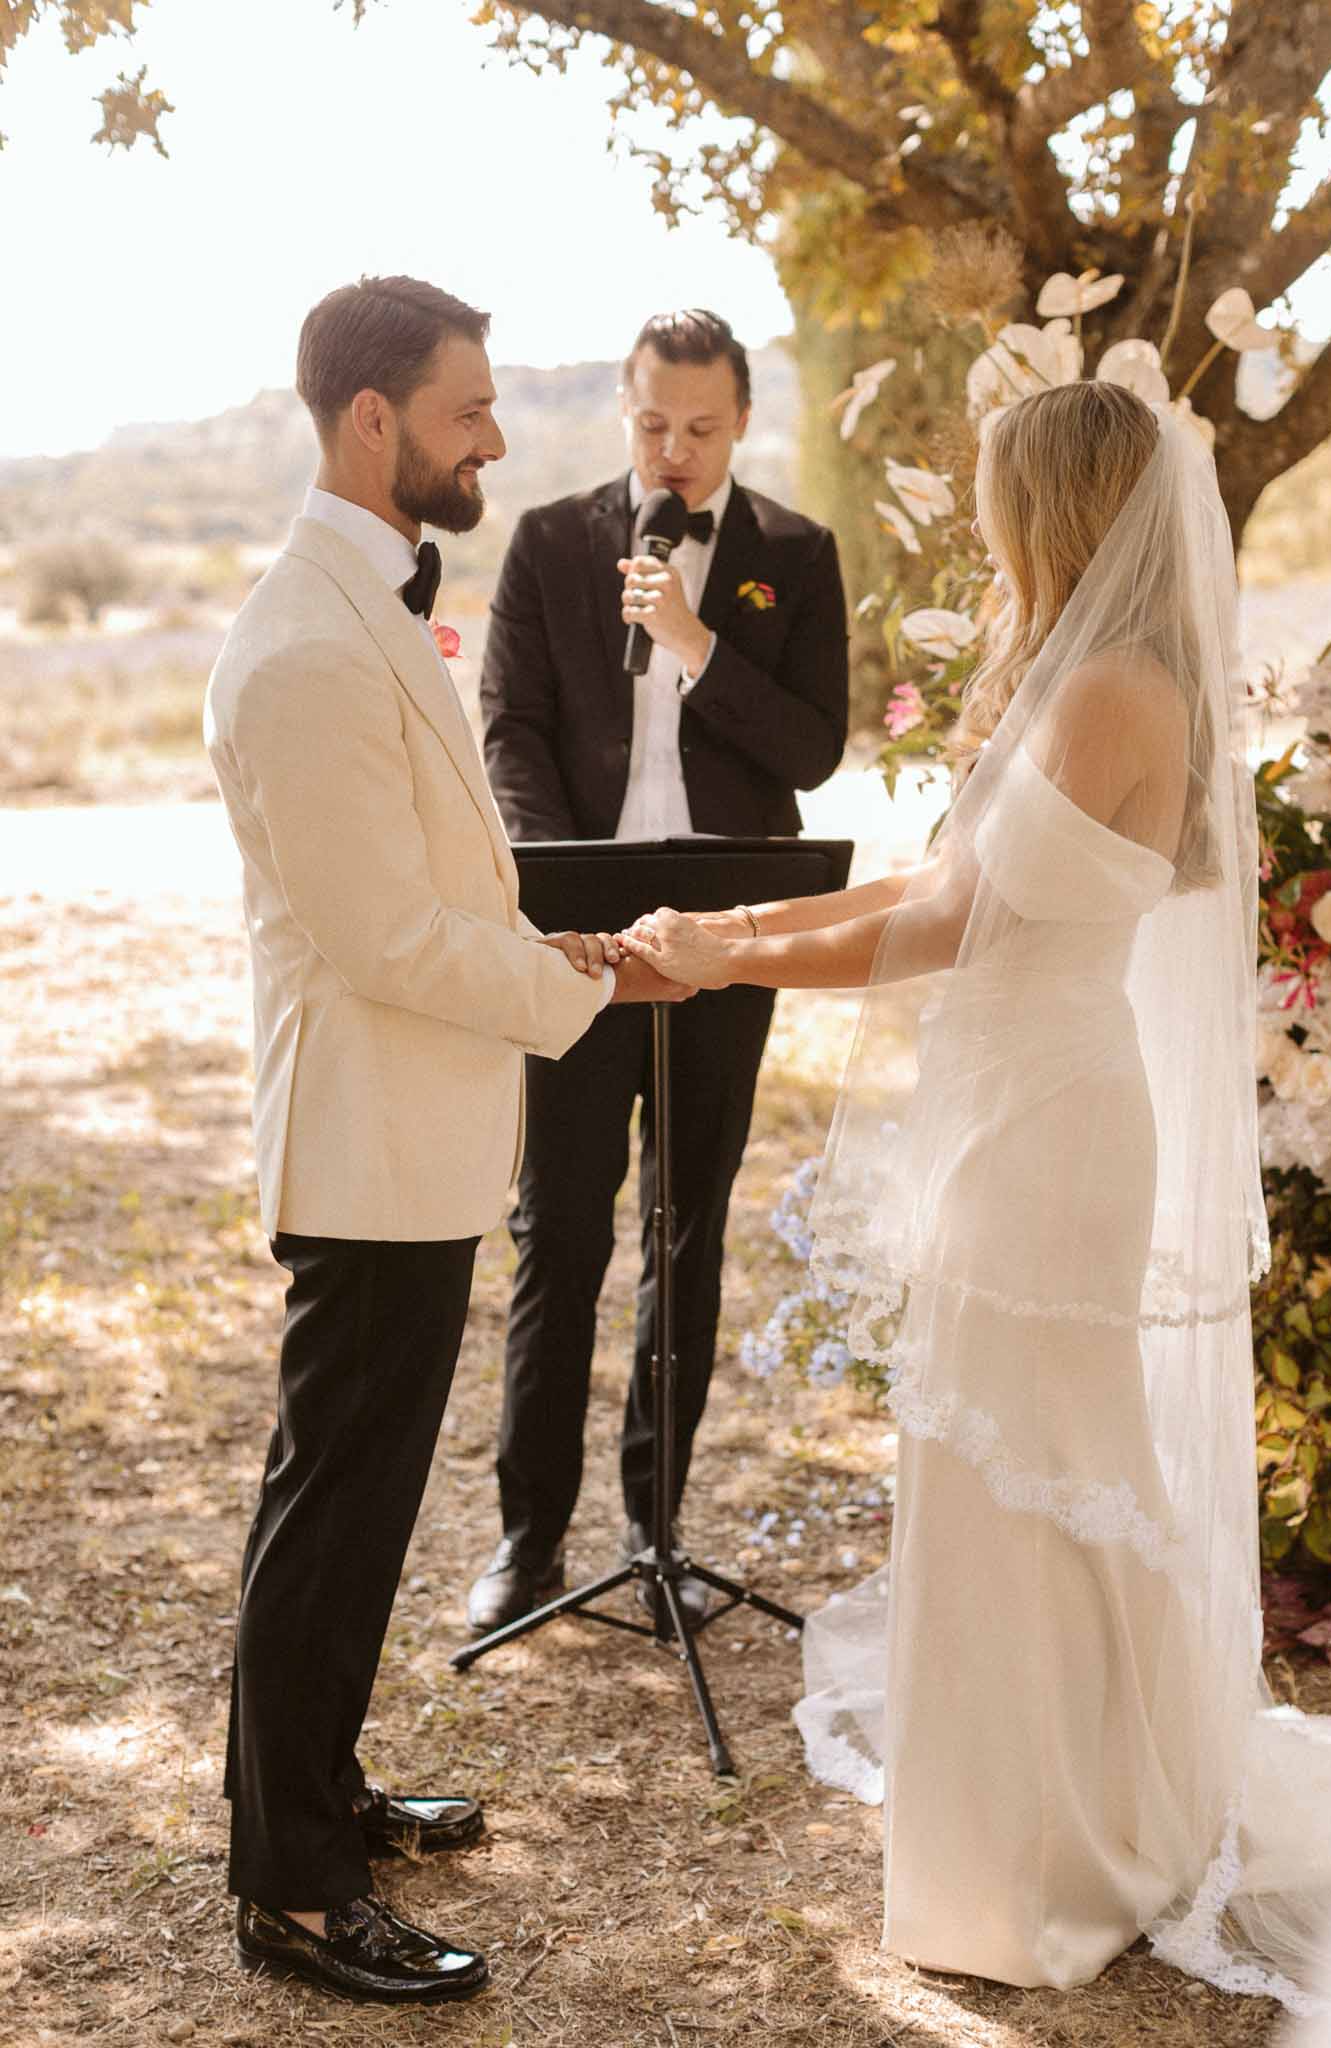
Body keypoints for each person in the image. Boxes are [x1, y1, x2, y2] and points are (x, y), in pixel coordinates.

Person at [623, 382, 1331, 2012]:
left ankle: (1055, 1855)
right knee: (999, 1469)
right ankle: (1029, 1827)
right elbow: (930, 889)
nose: (974, 520)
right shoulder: (1078, 674)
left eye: (992, 496)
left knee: (1037, 1475)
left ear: (1056, 510)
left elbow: (946, 930)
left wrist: (718, 967)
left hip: (1053, 1120)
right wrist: (730, 935)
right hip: (1017, 1104)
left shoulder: (1112, 687)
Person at [205, 275, 689, 2005]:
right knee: (330, 1513)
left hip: (414, 1133)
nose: (492, 435)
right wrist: (587, 992)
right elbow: (386, 942)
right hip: (362, 1142)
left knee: (356, 1501)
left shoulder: (366, 616)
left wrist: (536, 945)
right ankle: (296, 1890)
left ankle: (318, 1791)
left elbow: (429, 896)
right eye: (468, 407)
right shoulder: (302, 648)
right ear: (370, 420)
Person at [469, 309, 849, 1633]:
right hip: (576, 941)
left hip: (726, 938)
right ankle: (526, 1540)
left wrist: (695, 645)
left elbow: (810, 751)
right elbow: (508, 721)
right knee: (554, 1231)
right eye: (649, 424)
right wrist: (552, 882)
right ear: (621, 413)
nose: (672, 452)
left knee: (683, 1230)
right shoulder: (550, 539)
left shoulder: (796, 555)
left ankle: (654, 1528)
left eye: (698, 427)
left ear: (740, 418)